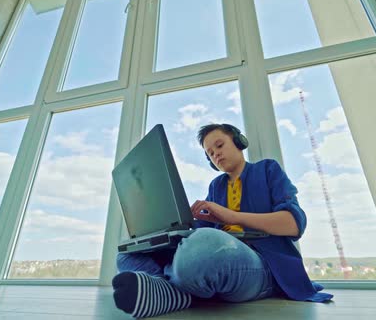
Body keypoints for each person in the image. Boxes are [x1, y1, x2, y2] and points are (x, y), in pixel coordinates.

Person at [112, 123, 333, 318]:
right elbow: (201, 232)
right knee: (127, 254)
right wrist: (181, 228)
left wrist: (231, 216)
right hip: (218, 256)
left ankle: (167, 287)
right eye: (209, 153)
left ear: (238, 142)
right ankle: (169, 291)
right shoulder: (216, 186)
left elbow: (293, 224)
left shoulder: (267, 169)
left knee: (204, 246)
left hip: (263, 266)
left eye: (219, 145)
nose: (215, 155)